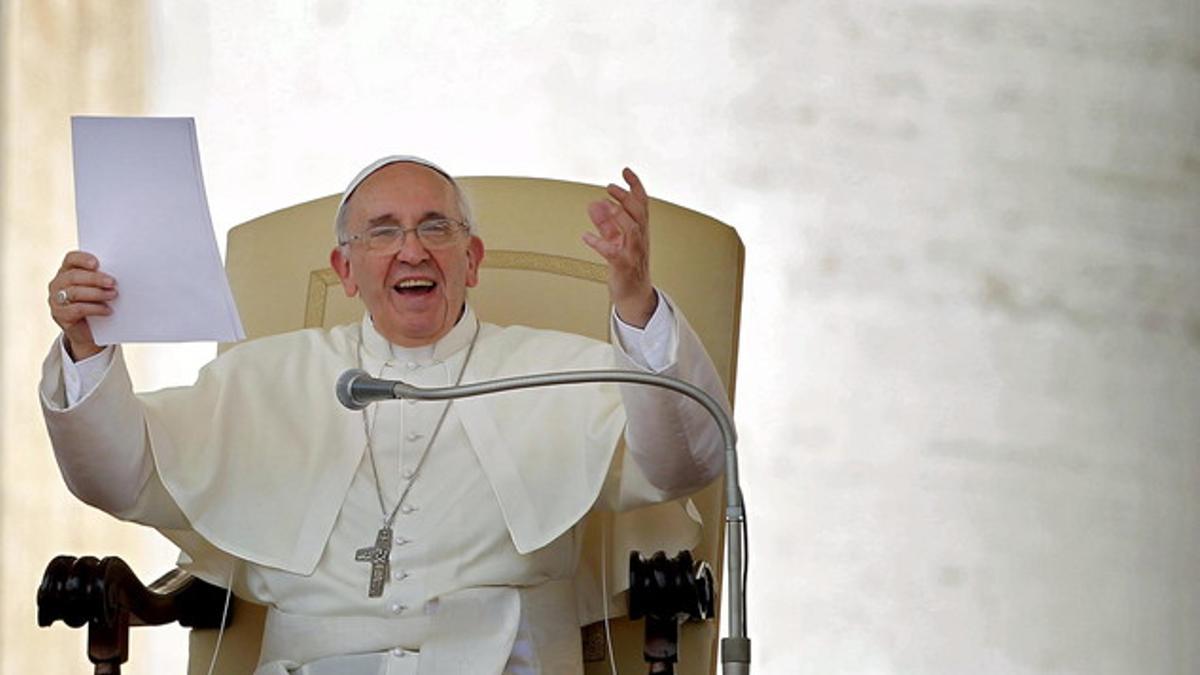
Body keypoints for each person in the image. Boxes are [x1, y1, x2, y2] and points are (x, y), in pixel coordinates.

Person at [40, 156, 730, 674]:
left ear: (473, 260)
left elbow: (682, 459)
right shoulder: (264, 379)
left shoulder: (562, 370)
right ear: (346, 271)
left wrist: (637, 301)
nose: (412, 248)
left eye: (436, 227)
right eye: (382, 232)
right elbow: (122, 475)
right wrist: (85, 344)